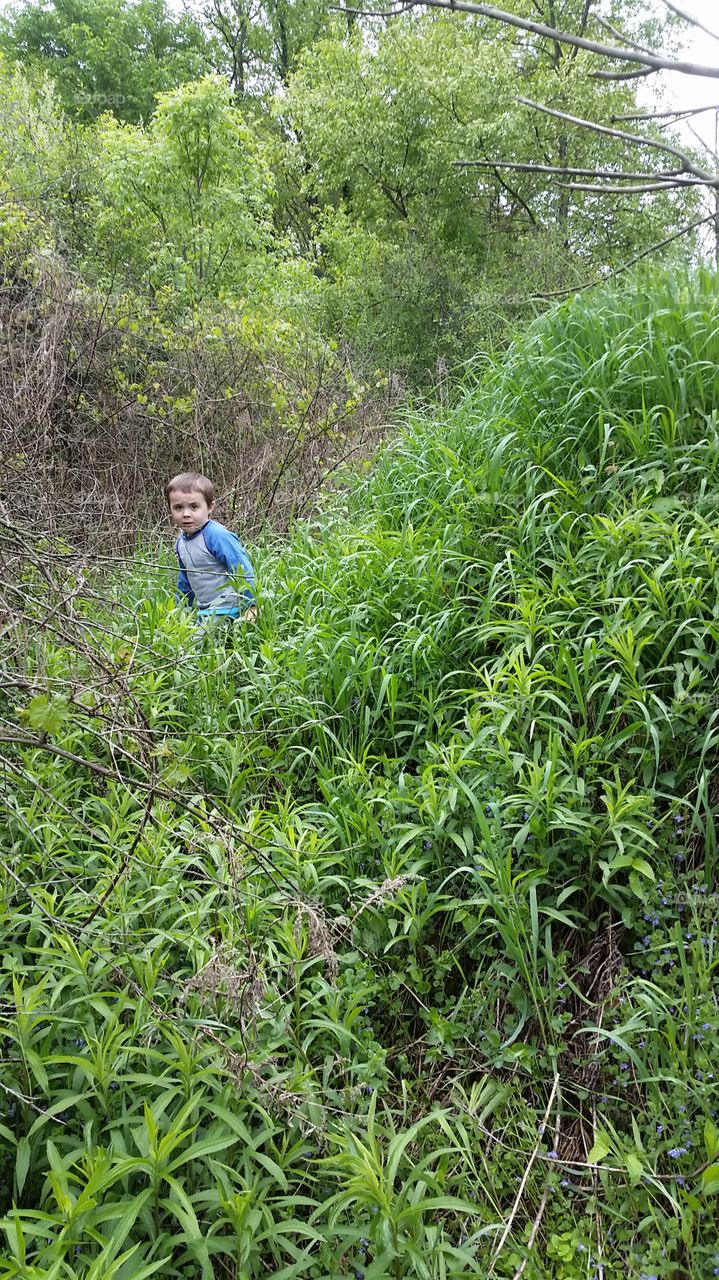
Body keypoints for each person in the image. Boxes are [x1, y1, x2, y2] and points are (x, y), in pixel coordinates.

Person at [165, 471, 256, 623]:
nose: (186, 514)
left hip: (229, 609)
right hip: (205, 612)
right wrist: (179, 612)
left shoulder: (216, 535)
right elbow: (184, 581)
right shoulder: (181, 542)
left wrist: (251, 606)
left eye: (194, 507)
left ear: (210, 507)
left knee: (194, 646)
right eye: (178, 507)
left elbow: (242, 569)